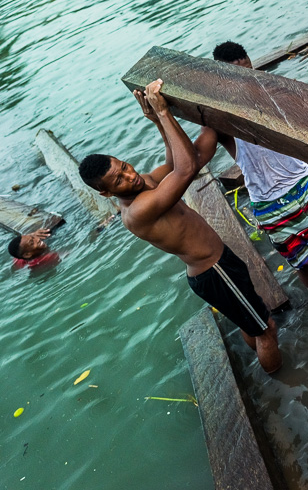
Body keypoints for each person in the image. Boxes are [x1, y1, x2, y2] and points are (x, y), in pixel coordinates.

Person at [78, 79, 282, 373]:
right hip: (214, 273)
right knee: (267, 330)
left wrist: (162, 123)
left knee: (251, 323)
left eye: (125, 166)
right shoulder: (137, 210)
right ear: (106, 193)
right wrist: (164, 114)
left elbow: (183, 163)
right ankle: (280, 380)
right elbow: (185, 169)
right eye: (119, 180)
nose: (130, 175)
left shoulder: (144, 182)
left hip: (219, 264)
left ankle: (269, 375)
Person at [195, 41, 308, 293]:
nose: (246, 80)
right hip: (271, 205)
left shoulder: (270, 91)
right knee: (303, 264)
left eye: (249, 70)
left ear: (251, 63)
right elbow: (198, 156)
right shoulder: (218, 117)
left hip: (305, 182)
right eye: (238, 76)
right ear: (222, 77)